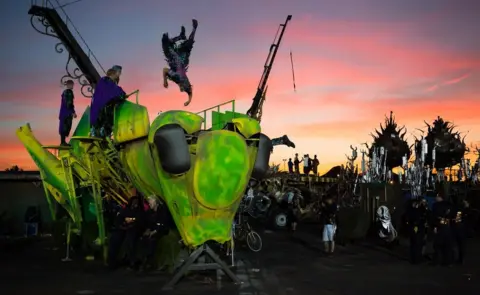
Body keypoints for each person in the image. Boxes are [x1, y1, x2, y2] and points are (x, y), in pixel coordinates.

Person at [162, 19, 198, 106]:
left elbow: (165, 70)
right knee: (189, 45)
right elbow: (190, 93)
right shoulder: (185, 83)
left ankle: (181, 37)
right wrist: (189, 101)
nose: (182, 87)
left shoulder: (175, 77)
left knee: (165, 42)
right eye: (183, 88)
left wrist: (165, 81)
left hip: (174, 58)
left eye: (181, 88)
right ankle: (194, 29)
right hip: (182, 57)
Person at [90, 65, 127, 137]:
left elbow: (117, 91)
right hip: (102, 109)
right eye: (119, 72)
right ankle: (100, 131)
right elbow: (114, 92)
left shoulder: (106, 82)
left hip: (102, 109)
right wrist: (121, 95)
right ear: (114, 72)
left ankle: (102, 132)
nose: (120, 74)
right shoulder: (106, 81)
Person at [141, 196, 170, 271]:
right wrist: (148, 229)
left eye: (151, 201)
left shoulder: (162, 211)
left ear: (156, 202)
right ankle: (145, 260)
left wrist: (155, 231)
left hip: (161, 230)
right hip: (153, 230)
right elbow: (147, 223)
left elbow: (162, 223)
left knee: (152, 240)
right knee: (144, 239)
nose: (149, 203)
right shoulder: (149, 212)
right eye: (149, 201)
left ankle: (149, 262)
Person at [430, 192, 454, 266]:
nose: (435, 198)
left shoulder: (436, 206)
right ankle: (447, 262)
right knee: (446, 245)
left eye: (437, 196)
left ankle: (437, 261)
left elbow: (434, 217)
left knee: (437, 245)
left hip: (440, 227)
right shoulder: (448, 205)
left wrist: (435, 226)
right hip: (447, 227)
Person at [406, 199, 427, 264]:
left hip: (415, 227)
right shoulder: (415, 210)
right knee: (417, 243)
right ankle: (416, 259)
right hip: (417, 228)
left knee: (415, 244)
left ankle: (414, 258)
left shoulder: (411, 210)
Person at [58, 80, 77, 145]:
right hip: (67, 113)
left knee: (63, 127)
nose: (73, 86)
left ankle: (63, 142)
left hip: (63, 113)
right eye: (72, 84)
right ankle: (63, 142)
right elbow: (69, 103)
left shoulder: (64, 92)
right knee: (65, 127)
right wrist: (73, 112)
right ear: (69, 85)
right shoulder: (69, 92)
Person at [451, 199, 470, 264]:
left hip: (458, 229)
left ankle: (458, 259)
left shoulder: (458, 209)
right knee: (461, 245)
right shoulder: (465, 210)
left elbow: (457, 220)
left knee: (458, 245)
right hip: (462, 229)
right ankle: (460, 259)